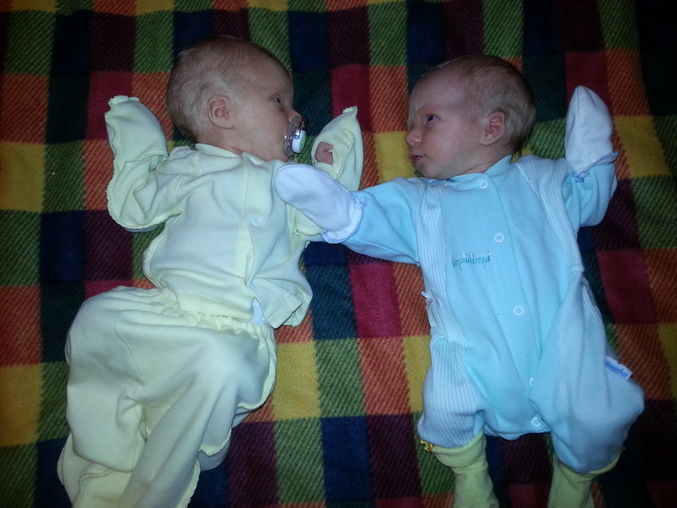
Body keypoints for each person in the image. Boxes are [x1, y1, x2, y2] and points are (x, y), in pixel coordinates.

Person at [275, 55, 644, 508]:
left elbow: (590, 196)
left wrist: (591, 151)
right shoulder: (420, 202)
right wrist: (330, 205)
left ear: (492, 128)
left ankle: (575, 480)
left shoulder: (544, 179)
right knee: (446, 406)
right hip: (472, 354)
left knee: (599, 413)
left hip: (566, 344)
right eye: (410, 124)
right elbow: (363, 219)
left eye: (428, 119)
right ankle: (469, 474)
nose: (410, 135)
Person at [57, 35, 362, 507]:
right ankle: (109, 445)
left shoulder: (289, 183)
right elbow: (135, 207)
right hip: (169, 311)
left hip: (235, 329)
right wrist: (141, 144)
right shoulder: (187, 167)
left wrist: (333, 159)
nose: (296, 115)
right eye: (279, 101)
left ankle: (182, 456)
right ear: (222, 111)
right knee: (97, 317)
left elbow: (329, 219)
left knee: (219, 364)